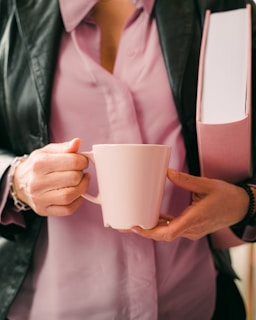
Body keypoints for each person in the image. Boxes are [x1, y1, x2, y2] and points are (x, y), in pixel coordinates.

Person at [0, 0, 255, 319]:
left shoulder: (220, 10)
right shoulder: (8, 11)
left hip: (197, 303)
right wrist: (15, 179)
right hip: (45, 306)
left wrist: (247, 201)